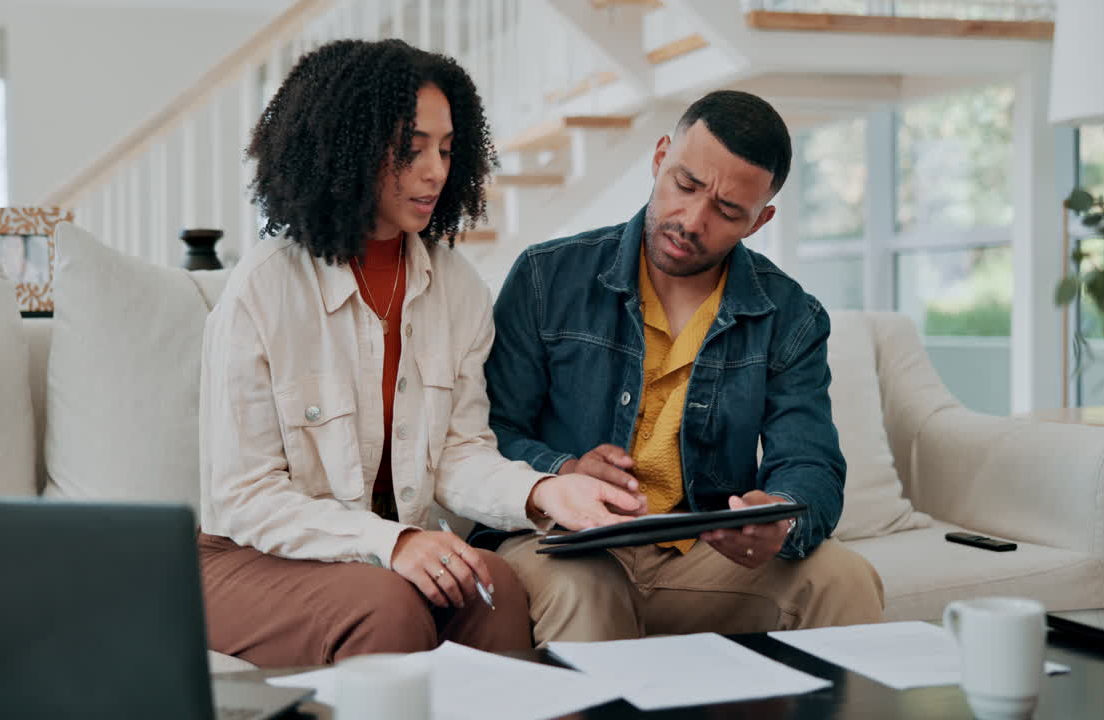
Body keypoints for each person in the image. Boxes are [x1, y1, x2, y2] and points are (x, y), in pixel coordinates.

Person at [196, 39, 641, 667]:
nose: (436, 170)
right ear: (344, 149)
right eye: (411, 150)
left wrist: (544, 492)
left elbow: (459, 454)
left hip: (377, 557)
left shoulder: (455, 287)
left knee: (491, 587)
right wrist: (397, 542)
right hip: (247, 558)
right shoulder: (263, 289)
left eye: (447, 149)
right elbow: (245, 496)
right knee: (389, 603)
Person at [480, 90, 885, 643]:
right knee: (589, 592)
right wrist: (565, 471)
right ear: (660, 157)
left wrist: (780, 516)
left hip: (699, 556)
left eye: (726, 211)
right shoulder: (546, 277)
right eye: (685, 185)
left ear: (760, 220)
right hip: (565, 541)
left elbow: (810, 461)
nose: (691, 220)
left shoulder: (791, 315)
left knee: (843, 578)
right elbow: (484, 435)